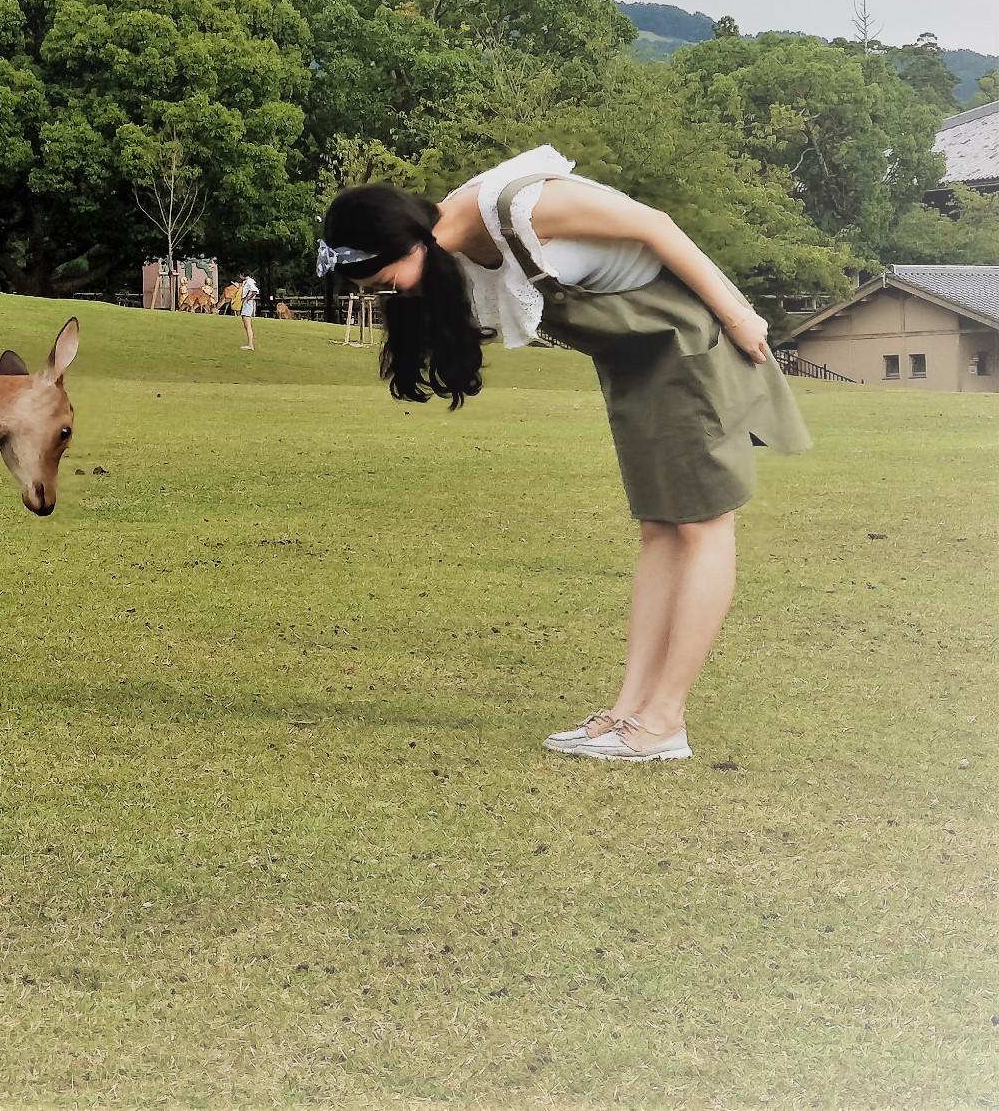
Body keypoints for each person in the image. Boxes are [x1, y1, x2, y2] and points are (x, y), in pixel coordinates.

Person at [319, 144, 808, 763]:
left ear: (411, 245)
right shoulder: (459, 249)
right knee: (660, 529)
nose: (392, 298)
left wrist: (740, 316)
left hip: (690, 346)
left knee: (705, 527)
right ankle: (629, 710)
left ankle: (665, 720)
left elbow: (653, 225)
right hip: (637, 363)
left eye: (386, 283)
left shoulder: (519, 205)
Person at [236, 272, 260, 350]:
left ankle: (250, 345)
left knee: (248, 325)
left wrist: (248, 298)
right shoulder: (247, 281)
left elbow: (255, 291)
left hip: (248, 303)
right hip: (246, 303)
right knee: (246, 325)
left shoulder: (249, 281)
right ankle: (250, 344)